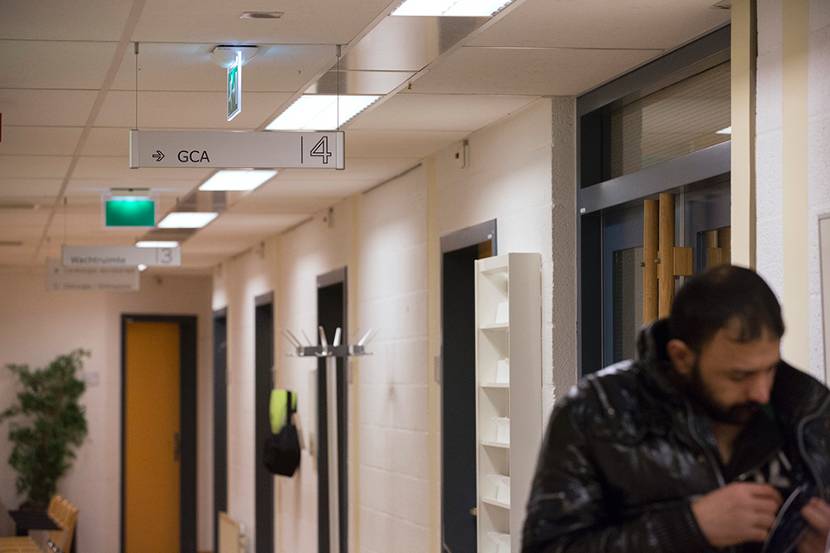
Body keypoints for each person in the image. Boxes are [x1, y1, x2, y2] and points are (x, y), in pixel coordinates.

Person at [521, 265, 830, 552]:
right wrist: (687, 528)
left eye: (770, 369)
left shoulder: (807, 411)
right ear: (682, 357)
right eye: (739, 376)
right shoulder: (595, 411)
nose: (761, 392)